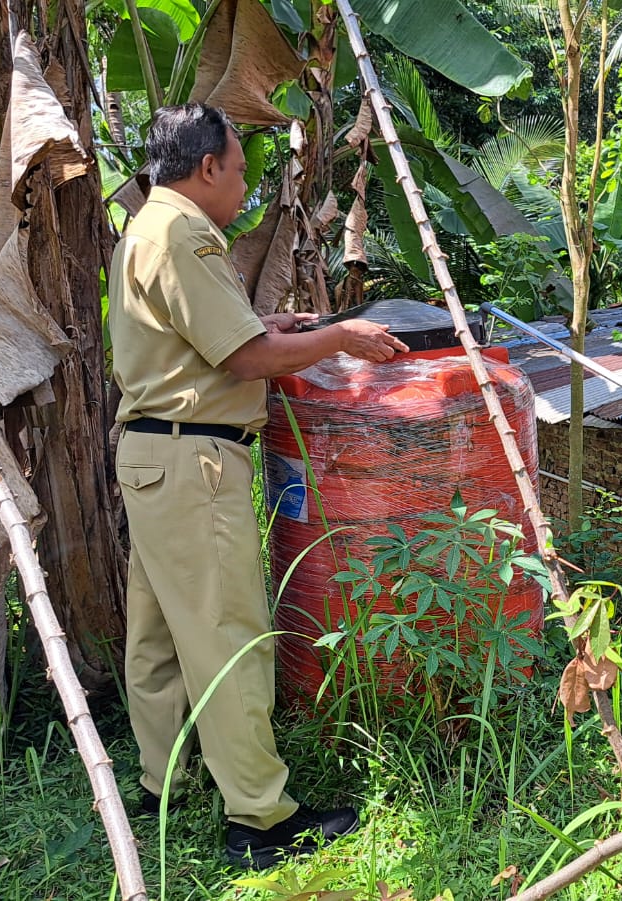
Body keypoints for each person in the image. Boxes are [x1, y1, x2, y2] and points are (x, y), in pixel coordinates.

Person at [107, 103, 408, 870]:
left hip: (152, 453)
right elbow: (242, 361)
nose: (245, 186)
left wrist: (270, 318)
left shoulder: (146, 225)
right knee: (226, 631)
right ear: (207, 166)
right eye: (239, 169)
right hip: (195, 461)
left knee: (160, 631)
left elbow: (193, 336)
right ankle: (260, 816)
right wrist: (340, 337)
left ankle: (161, 780)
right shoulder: (184, 232)